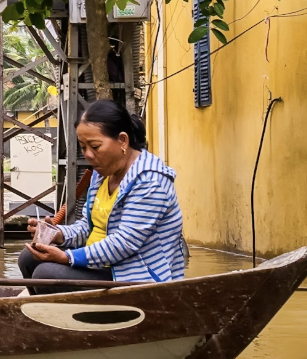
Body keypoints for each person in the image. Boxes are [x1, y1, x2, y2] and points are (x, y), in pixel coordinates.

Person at [17, 100, 185, 291]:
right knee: (28, 258)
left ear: (122, 140)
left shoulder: (150, 181)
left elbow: (125, 243)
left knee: (46, 274)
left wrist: (68, 257)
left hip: (135, 275)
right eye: (83, 147)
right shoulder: (101, 174)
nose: (88, 154)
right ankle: (43, 316)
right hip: (103, 267)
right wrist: (59, 235)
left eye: (95, 146)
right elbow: (89, 226)